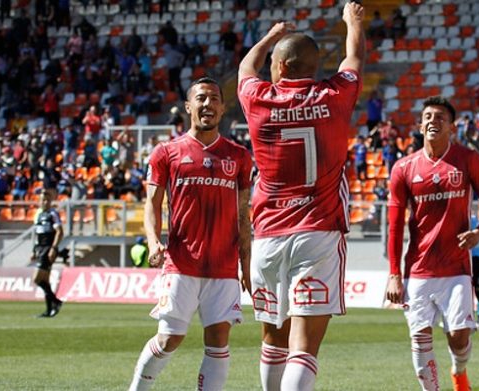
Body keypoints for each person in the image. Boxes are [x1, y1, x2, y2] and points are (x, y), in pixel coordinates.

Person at [237, 3, 364, 390]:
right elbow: (354, 56)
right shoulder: (334, 96)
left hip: (269, 237)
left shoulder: (258, 99)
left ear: (282, 67)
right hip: (318, 232)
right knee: (304, 348)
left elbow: (245, 68)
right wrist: (352, 23)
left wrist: (270, 38)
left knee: (273, 339)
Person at [128, 77, 254, 391]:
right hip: (182, 263)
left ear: (223, 108)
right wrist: (153, 239)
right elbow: (152, 204)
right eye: (200, 98)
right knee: (169, 338)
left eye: (214, 98)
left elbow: (243, 215)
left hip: (224, 266)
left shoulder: (238, 156)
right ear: (188, 106)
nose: (207, 104)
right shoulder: (166, 152)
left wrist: (247, 265)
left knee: (219, 342)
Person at [385, 96, 479, 391]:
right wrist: (394, 274)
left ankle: (459, 371)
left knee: (459, 337)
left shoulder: (467, 159)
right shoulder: (403, 168)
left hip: (456, 268)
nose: (432, 121)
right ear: (419, 125)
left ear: (452, 127)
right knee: (420, 338)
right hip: (418, 270)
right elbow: (395, 226)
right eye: (427, 116)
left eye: (440, 117)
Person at [31, 191, 64, 318]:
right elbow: (37, 235)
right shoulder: (38, 214)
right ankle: (49, 310)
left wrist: (54, 248)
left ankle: (56, 301)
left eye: (47, 200)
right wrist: (33, 250)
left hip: (47, 249)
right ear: (39, 201)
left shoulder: (53, 214)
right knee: (45, 281)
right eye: (42, 200)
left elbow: (59, 232)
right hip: (40, 249)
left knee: (36, 279)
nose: (45, 202)